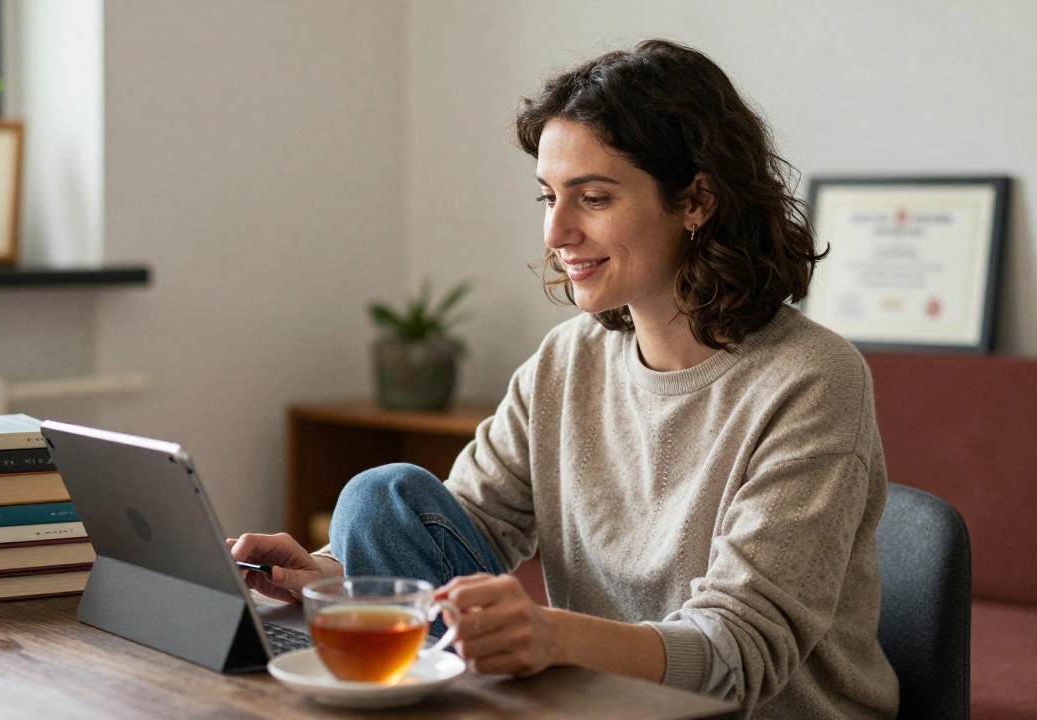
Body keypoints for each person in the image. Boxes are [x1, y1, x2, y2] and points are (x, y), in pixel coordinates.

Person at [229, 39, 899, 719]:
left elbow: (736, 654)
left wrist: (554, 636)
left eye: (594, 198)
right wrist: (327, 574)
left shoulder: (813, 379)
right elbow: (465, 523)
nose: (556, 230)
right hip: (598, 704)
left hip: (743, 711)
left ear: (698, 200)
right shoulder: (568, 359)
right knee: (381, 499)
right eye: (549, 197)